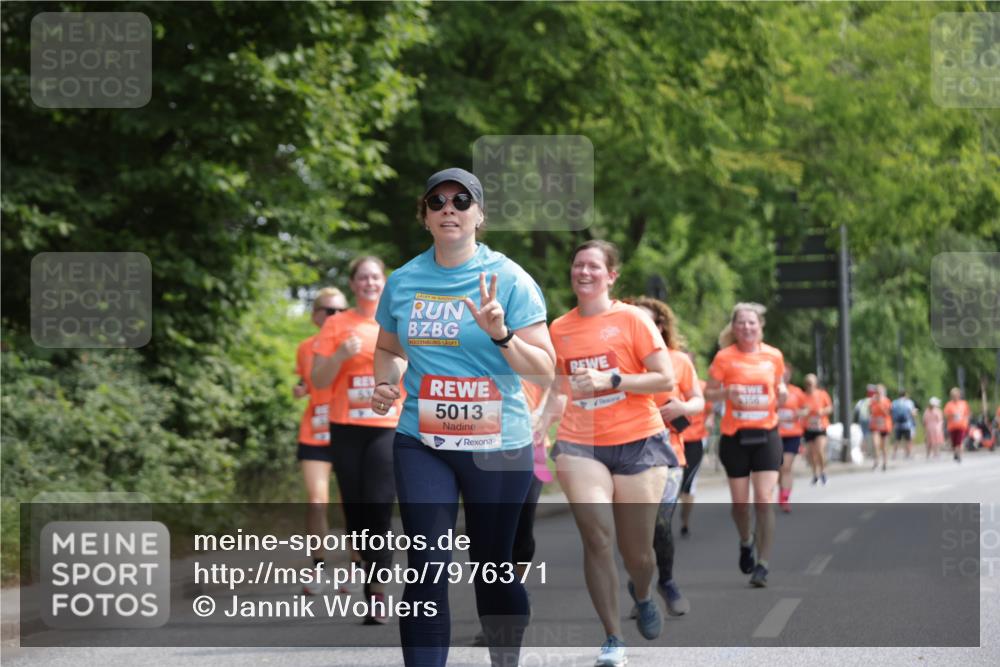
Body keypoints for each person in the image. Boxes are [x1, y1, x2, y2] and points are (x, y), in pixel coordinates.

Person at [370, 167, 555, 667]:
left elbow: (545, 368)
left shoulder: (510, 279)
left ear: (479, 214)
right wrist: (385, 381)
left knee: (492, 567)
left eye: (460, 200)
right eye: (437, 201)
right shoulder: (403, 281)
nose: (448, 208)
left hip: (498, 445)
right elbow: (387, 348)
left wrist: (502, 334)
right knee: (426, 564)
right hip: (422, 440)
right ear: (425, 216)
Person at [536, 241, 676, 667]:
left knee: (639, 554)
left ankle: (643, 591)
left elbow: (664, 379)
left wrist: (612, 378)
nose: (584, 271)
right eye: (578, 264)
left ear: (611, 275)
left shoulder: (632, 320)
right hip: (581, 442)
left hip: (638, 440)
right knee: (597, 537)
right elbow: (559, 390)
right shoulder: (558, 328)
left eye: (594, 266)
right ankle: (613, 637)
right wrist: (540, 428)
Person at [311, 256, 401, 623]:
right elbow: (318, 380)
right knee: (355, 511)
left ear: (384, 282)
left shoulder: (396, 318)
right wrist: (340, 354)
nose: (369, 283)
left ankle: (377, 591)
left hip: (387, 425)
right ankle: (369, 574)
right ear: (353, 284)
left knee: (379, 505)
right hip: (346, 426)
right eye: (362, 278)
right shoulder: (336, 325)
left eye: (375, 277)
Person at [628, 296, 704, 617]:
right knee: (636, 529)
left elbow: (698, 401)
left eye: (648, 321)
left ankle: (667, 581)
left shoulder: (679, 361)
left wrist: (683, 408)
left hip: (670, 453)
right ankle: (641, 583)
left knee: (660, 522)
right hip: (628, 451)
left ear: (660, 325)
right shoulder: (621, 360)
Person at [704, 302, 787, 589]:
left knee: (764, 499)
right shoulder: (724, 358)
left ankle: (763, 564)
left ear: (760, 326)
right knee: (740, 506)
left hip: (767, 435)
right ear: (734, 327)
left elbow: (779, 390)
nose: (747, 328)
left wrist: (784, 393)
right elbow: (708, 393)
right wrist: (727, 392)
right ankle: (745, 540)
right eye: (741, 323)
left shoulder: (773, 356)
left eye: (752, 323)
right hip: (735, 438)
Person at [293, 287, 347, 594]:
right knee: (316, 501)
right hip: (316, 432)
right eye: (328, 311)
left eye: (341, 310)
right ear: (316, 316)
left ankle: (356, 569)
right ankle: (318, 569)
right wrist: (300, 388)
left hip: (351, 431)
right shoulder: (305, 347)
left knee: (352, 504)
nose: (335, 316)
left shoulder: (359, 342)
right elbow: (306, 380)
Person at [679, 369, 714, 537]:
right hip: (671, 441)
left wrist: (709, 420)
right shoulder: (669, 385)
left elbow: (710, 410)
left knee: (688, 484)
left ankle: (685, 520)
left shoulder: (702, 387)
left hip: (695, 440)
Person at [777, 367, 805, 513]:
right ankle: (781, 491)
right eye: (782, 374)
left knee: (786, 466)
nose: (785, 376)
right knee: (778, 468)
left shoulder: (796, 392)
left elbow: (805, 409)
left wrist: (797, 414)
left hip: (793, 433)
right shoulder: (773, 390)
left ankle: (785, 498)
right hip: (775, 434)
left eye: (787, 374)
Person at [801, 374, 833, 485]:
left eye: (811, 383)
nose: (809, 385)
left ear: (815, 384)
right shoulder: (803, 396)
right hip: (808, 428)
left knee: (819, 450)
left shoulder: (822, 394)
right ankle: (815, 474)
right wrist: (804, 412)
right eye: (807, 383)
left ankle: (823, 472)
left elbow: (830, 408)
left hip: (820, 427)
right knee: (811, 453)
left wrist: (822, 411)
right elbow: (799, 410)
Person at [869, 384, 893, 471]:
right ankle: (876, 461)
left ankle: (885, 462)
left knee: (884, 446)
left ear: (883, 392)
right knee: (876, 444)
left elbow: (888, 413)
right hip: (875, 426)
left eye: (880, 391)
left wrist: (881, 405)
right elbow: (871, 412)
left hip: (885, 426)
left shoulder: (887, 401)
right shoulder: (873, 401)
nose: (878, 393)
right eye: (877, 391)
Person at [944, 387, 971, 463]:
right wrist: (952, 415)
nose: (955, 397)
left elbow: (967, 414)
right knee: (954, 443)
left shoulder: (963, 403)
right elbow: (946, 415)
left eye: (956, 395)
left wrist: (966, 421)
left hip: (962, 425)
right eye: (953, 395)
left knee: (960, 441)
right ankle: (956, 453)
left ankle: (959, 455)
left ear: (959, 395)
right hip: (952, 427)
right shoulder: (949, 405)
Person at [891, 390, 919, 459]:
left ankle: (894, 454)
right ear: (905, 395)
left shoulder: (894, 402)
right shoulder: (909, 402)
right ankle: (908, 454)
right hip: (907, 424)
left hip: (897, 424)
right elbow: (913, 413)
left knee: (897, 440)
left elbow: (891, 412)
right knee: (908, 440)